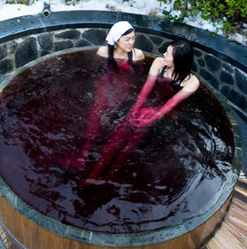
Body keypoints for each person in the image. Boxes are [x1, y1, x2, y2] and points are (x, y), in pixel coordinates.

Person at [85, 40, 200, 183]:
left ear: (179, 60)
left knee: (142, 119)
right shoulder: (159, 63)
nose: (163, 54)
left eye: (168, 54)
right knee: (126, 123)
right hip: (151, 103)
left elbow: (172, 103)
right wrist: (135, 108)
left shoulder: (191, 82)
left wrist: (151, 118)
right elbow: (147, 86)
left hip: (171, 112)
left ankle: (116, 165)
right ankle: (99, 167)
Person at [60, 21, 144, 170]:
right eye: (127, 39)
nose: (132, 42)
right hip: (106, 81)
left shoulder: (137, 55)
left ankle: (94, 150)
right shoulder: (103, 52)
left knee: (112, 111)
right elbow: (95, 70)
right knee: (97, 109)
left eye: (133, 38)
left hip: (123, 84)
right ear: (117, 39)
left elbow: (139, 76)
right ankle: (85, 149)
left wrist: (130, 75)